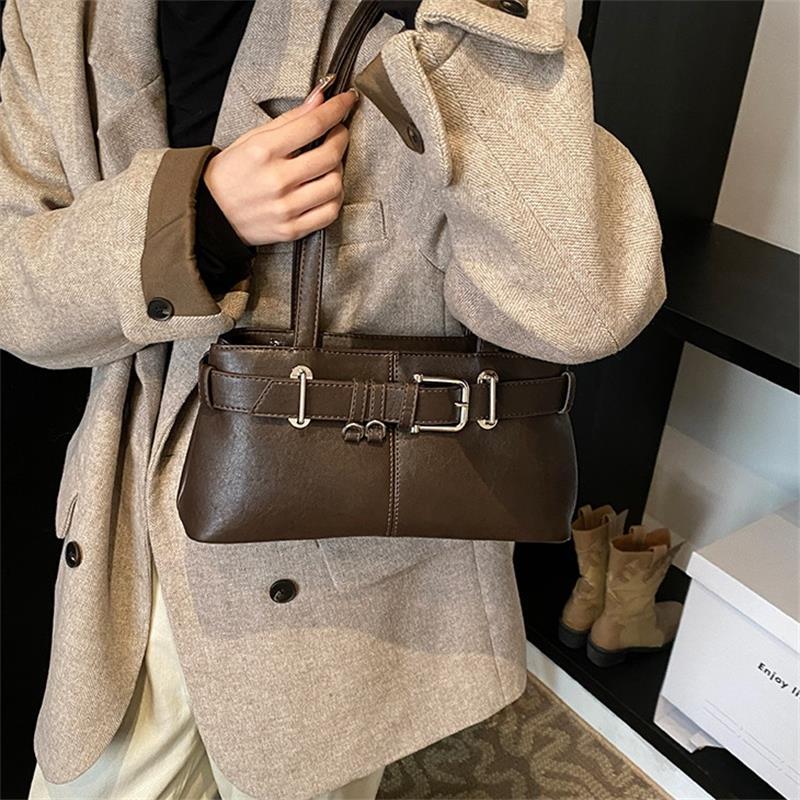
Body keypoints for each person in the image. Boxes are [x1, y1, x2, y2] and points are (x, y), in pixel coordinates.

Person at [0, 0, 667, 798]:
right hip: (126, 560)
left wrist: (458, 26)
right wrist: (194, 220)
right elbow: (15, 287)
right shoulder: (50, 15)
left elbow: (588, 308)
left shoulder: (456, 14)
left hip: (335, 583)